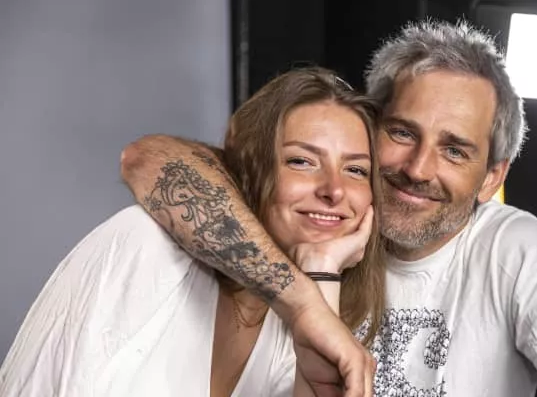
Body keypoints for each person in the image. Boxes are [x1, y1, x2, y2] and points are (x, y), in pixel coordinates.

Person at [121, 19, 537, 396]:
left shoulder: (513, 248)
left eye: (455, 150)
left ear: (492, 178)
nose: (418, 168)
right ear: (369, 127)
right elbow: (149, 161)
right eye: (402, 132)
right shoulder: (307, 209)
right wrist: (305, 304)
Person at [0, 67, 385, 397]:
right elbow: (143, 157)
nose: (334, 191)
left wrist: (322, 270)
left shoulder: (301, 322)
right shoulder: (144, 246)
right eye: (301, 161)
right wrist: (306, 302)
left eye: (355, 170)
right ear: (252, 168)